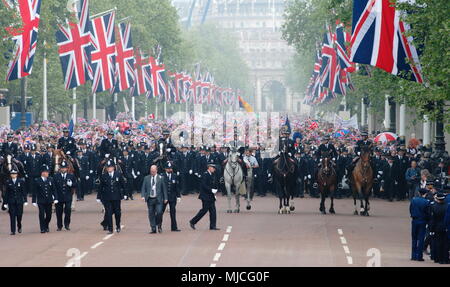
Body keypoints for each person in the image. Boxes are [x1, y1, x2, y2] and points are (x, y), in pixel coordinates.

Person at [189, 161, 220, 231]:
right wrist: (211, 190)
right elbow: (204, 185)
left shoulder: (212, 175)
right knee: (204, 210)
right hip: (205, 196)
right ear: (209, 168)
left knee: (213, 211)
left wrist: (214, 194)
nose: (214, 169)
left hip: (210, 196)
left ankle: (212, 226)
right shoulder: (205, 174)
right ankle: (193, 221)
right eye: (213, 168)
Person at [97, 160, 126, 234]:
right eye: (108, 167)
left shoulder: (118, 174)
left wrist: (125, 194)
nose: (109, 168)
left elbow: (123, 185)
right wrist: (98, 197)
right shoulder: (104, 176)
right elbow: (100, 187)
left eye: (110, 167)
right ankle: (110, 229)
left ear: (113, 167)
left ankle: (118, 226)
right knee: (109, 213)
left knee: (117, 213)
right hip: (107, 197)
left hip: (116, 197)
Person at [141, 165, 168, 234]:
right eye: (151, 171)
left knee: (159, 212)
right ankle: (153, 228)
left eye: (153, 171)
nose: (152, 172)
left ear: (156, 170)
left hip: (158, 198)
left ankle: (159, 225)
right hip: (150, 198)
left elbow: (164, 189)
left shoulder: (161, 178)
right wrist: (143, 196)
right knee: (151, 213)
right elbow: (143, 188)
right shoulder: (146, 178)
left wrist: (165, 198)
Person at [32, 165, 57, 233]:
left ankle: (46, 225)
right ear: (42, 173)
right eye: (45, 172)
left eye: (47, 172)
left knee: (49, 215)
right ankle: (42, 228)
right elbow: (35, 191)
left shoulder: (50, 179)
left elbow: (54, 190)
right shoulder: (37, 180)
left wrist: (55, 198)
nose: (47, 173)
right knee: (41, 214)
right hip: (41, 200)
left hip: (49, 200)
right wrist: (34, 201)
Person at [53, 161, 77, 231]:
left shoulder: (71, 176)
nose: (63, 169)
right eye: (62, 168)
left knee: (68, 210)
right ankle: (59, 225)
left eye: (65, 168)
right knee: (58, 212)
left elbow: (75, 185)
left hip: (68, 196)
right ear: (60, 168)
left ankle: (67, 224)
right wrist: (55, 197)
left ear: (67, 168)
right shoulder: (56, 176)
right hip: (59, 197)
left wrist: (71, 184)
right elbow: (54, 187)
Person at [3, 169, 27, 235]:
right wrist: (5, 203)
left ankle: (19, 225)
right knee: (12, 216)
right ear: (10, 175)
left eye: (14, 174)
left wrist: (25, 200)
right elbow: (6, 193)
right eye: (12, 174)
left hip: (19, 201)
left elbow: (23, 191)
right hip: (11, 201)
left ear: (17, 174)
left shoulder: (21, 181)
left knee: (19, 215)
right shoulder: (8, 182)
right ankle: (12, 231)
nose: (13, 175)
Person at [409, 188, 430, 261]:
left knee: (414, 239)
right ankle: (419, 256)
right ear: (425, 194)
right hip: (422, 221)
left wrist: (413, 216)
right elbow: (428, 213)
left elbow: (411, 209)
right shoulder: (426, 202)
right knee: (421, 239)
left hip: (415, 220)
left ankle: (413, 255)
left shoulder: (414, 200)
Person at [429, 192, 449, 264]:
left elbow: (433, 219)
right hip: (445, 227)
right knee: (445, 243)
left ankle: (438, 258)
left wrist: (431, 229)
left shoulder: (434, 207)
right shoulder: (447, 206)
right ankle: (445, 259)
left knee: (438, 243)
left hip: (437, 227)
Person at [161, 162, 181, 232]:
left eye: (170, 168)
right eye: (168, 168)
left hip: (172, 197)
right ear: (165, 169)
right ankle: (159, 226)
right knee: (161, 212)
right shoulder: (162, 176)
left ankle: (174, 227)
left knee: (173, 212)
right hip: (164, 197)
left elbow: (177, 187)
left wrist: (178, 196)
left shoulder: (174, 176)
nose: (169, 170)